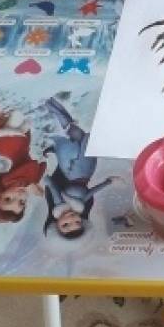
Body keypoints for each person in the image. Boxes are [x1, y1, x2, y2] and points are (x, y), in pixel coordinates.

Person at [42, 97, 119, 238]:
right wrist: (108, 182)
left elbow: (53, 188)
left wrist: (46, 179)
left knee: (73, 132)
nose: (71, 219)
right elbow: (90, 192)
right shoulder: (80, 205)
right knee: (77, 133)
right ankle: (51, 103)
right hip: (87, 170)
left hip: (72, 168)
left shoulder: (60, 203)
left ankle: (49, 104)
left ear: (55, 223)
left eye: (66, 225)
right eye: (77, 222)